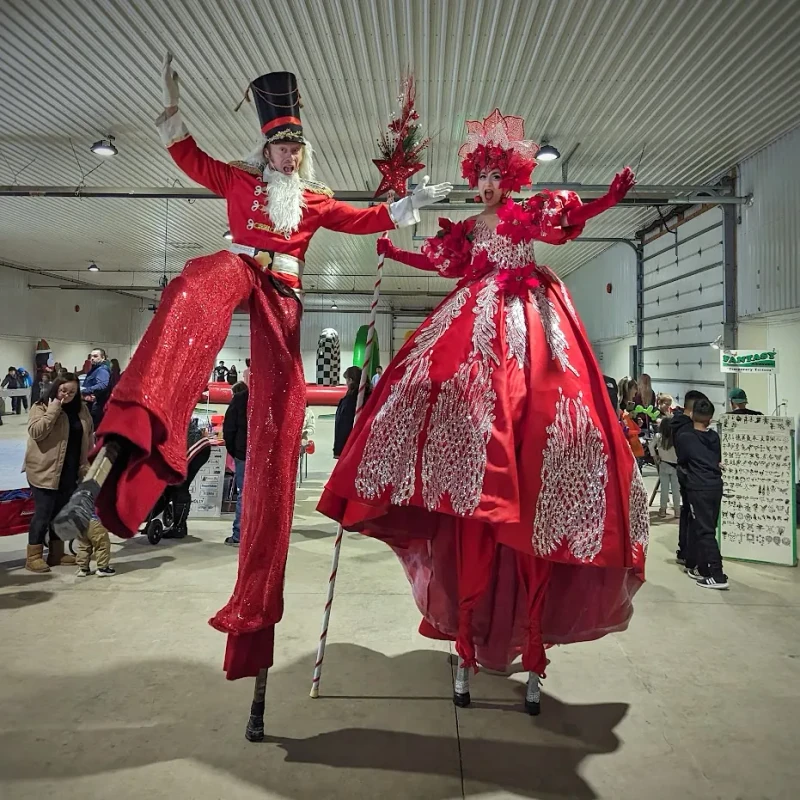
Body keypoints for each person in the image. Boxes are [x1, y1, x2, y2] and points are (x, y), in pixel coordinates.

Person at [54, 56, 451, 682]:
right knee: (191, 290)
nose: (286, 157)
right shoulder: (240, 186)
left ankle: (254, 603)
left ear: (303, 154)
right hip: (241, 268)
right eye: (278, 147)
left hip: (284, 304)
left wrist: (407, 206)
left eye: (294, 149)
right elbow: (193, 161)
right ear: (264, 149)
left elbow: (367, 218)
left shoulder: (315, 202)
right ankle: (133, 438)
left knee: (278, 421)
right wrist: (171, 118)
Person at [318, 109, 646, 711]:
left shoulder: (525, 218)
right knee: (424, 379)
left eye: (498, 174)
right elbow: (444, 264)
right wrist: (396, 251)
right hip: (478, 321)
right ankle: (466, 642)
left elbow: (568, 221)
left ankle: (533, 654)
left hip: (527, 319)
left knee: (554, 409)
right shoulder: (470, 229)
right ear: (476, 177)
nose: (490, 185)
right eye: (484, 175)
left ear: (512, 176)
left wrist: (609, 202)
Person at [23, 374, 93, 573]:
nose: (67, 395)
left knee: (61, 514)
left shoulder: (82, 409)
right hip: (44, 470)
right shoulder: (41, 406)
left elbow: (88, 437)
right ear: (55, 389)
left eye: (72, 391)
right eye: (63, 390)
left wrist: (85, 464)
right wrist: (54, 408)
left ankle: (56, 553)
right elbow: (36, 432)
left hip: (69, 471)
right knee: (43, 514)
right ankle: (33, 556)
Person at [672, 398, 728, 589]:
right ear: (710, 418)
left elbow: (683, 459)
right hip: (715, 486)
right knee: (709, 528)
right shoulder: (714, 437)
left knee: (704, 532)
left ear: (692, 414)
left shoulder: (685, 437)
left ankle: (717, 574)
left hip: (698, 487)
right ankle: (704, 569)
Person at [670, 389, 708, 566]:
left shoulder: (678, 424)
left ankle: (684, 550)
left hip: (683, 471)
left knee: (686, 511)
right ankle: (688, 553)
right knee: (691, 515)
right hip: (689, 474)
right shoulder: (687, 429)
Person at [223, 382, 248, 547]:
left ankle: (239, 534)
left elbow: (229, 429)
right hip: (264, 454)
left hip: (243, 453)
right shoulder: (272, 396)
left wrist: (235, 451)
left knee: (243, 494)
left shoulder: (240, 399)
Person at [649, 400, 680, 518]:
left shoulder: (658, 436)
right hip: (675, 466)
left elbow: (651, 446)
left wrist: (655, 456)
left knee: (664, 489)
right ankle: (677, 511)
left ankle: (662, 510)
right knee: (676, 490)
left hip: (663, 464)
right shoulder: (676, 438)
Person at [333, 366, 370, 458]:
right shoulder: (368, 396)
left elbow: (343, 424)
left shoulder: (351, 400)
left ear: (350, 380)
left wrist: (339, 449)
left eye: (347, 380)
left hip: (350, 443)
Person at [76, 512, 115, 577]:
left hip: (81, 520)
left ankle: (83, 569)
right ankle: (103, 568)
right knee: (102, 544)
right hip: (95, 521)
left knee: (84, 545)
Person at [81, 348, 111, 428]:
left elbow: (102, 385)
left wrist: (84, 390)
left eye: (95, 356)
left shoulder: (102, 370)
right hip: (92, 404)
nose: (92, 358)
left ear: (103, 357)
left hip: (95, 406)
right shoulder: (95, 369)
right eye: (91, 356)